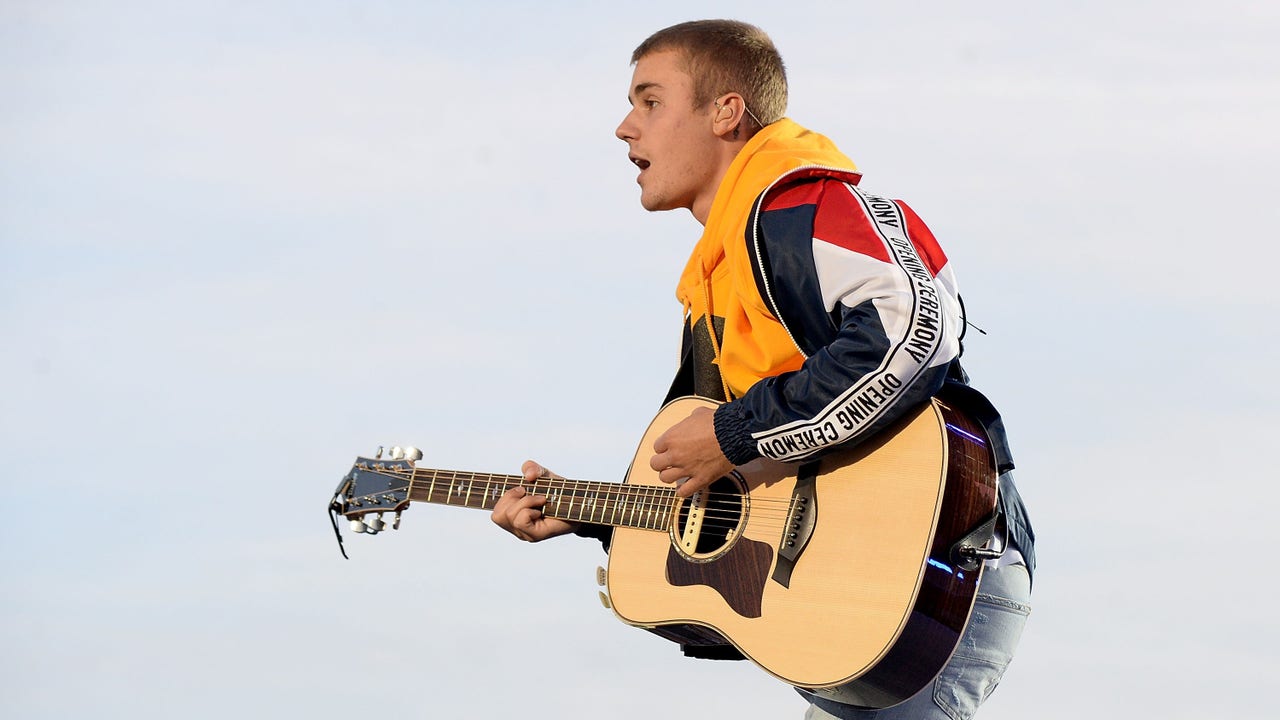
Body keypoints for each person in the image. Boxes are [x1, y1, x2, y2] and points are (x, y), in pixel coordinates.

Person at [491, 19, 1035, 720]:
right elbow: (734, 490)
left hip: (927, 572)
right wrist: (594, 514)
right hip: (850, 603)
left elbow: (914, 327)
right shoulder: (716, 280)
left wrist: (733, 432)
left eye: (651, 101)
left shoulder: (801, 208)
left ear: (726, 112)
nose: (625, 128)